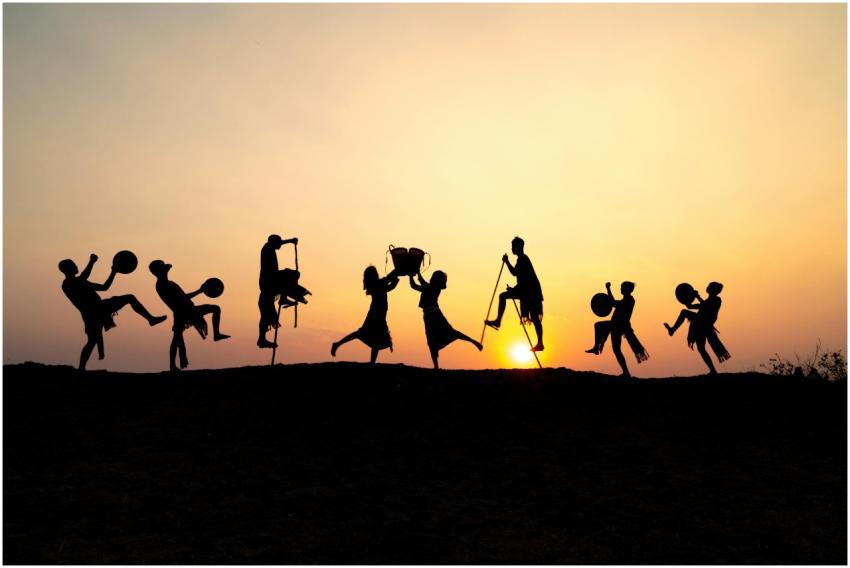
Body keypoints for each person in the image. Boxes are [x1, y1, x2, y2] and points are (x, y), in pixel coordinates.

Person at [59, 254, 166, 370]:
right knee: (92, 341)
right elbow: (83, 277)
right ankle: (81, 368)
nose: (76, 266)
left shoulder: (81, 282)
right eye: (73, 265)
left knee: (129, 298)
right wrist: (92, 262)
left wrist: (113, 272)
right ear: (67, 269)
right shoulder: (68, 283)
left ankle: (151, 319)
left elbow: (105, 287)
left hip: (99, 308)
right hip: (94, 311)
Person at [149, 260, 230, 371]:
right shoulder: (162, 285)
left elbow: (183, 297)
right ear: (158, 272)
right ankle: (172, 365)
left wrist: (200, 291)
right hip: (183, 313)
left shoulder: (169, 283)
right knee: (176, 339)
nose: (166, 270)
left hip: (187, 310)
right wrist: (200, 291)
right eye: (163, 269)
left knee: (176, 338)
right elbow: (183, 298)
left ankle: (216, 334)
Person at [409, 270, 482, 369]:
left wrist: (411, 275)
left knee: (434, 340)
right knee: (445, 335)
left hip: (433, 316)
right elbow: (421, 282)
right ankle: (473, 342)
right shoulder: (433, 287)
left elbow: (414, 286)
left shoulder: (432, 288)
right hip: (431, 315)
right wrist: (417, 273)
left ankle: (436, 366)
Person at [484, 236, 544, 351]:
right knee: (504, 296)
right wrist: (514, 289)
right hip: (526, 291)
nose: (511, 248)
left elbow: (515, 273)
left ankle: (498, 321)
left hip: (531, 292)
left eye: (513, 246)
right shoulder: (521, 259)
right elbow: (521, 278)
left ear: (518, 247)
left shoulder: (523, 259)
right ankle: (540, 343)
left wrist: (506, 262)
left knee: (535, 318)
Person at [331, 267, 399, 363]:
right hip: (376, 313)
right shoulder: (377, 284)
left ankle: (371, 362)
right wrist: (397, 272)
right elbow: (389, 282)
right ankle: (337, 344)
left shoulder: (377, 284)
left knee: (374, 338)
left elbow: (389, 285)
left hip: (379, 313)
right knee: (366, 335)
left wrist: (395, 277)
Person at [664, 281, 731, 375]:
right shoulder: (707, 301)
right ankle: (713, 370)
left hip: (705, 324)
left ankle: (672, 330)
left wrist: (697, 296)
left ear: (713, 290)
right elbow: (690, 306)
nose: (707, 287)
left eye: (709, 286)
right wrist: (687, 297)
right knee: (701, 348)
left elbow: (706, 307)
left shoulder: (717, 300)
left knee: (701, 348)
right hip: (699, 324)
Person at [585, 281, 649, 377]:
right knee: (616, 350)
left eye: (623, 287)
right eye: (621, 287)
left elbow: (613, 303)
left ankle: (595, 348)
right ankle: (626, 372)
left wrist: (608, 289)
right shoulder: (625, 300)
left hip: (618, 326)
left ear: (628, 290)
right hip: (616, 326)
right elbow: (613, 302)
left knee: (598, 325)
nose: (621, 289)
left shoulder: (629, 300)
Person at [257, 234, 307, 348]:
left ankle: (261, 339)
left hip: (270, 282)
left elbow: (278, 243)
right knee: (293, 274)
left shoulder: (269, 247)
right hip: (269, 281)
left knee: (266, 314)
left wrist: (289, 241)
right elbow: (277, 243)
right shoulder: (267, 248)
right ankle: (283, 299)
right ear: (273, 242)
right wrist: (289, 241)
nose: (280, 245)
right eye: (278, 242)